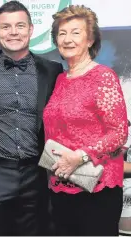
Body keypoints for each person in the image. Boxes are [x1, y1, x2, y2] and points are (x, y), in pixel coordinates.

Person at [0, 1, 63, 235]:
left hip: (38, 171)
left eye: (20, 26)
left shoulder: (53, 70)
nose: (13, 32)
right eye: (6, 27)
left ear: (30, 29)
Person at [43, 5, 128, 236]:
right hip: (61, 186)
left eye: (75, 32)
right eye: (62, 33)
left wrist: (79, 156)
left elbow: (119, 132)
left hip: (97, 188)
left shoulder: (103, 77)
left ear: (90, 39)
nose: (67, 39)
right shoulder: (60, 79)